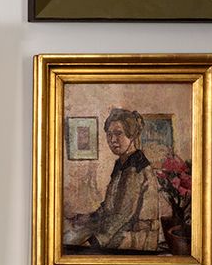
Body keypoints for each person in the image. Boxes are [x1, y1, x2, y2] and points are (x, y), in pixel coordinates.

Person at [62, 107, 162, 252]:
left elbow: (121, 216)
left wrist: (95, 241)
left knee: (72, 248)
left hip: (137, 241)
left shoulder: (135, 168)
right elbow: (109, 207)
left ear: (132, 135)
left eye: (118, 133)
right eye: (109, 134)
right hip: (119, 233)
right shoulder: (122, 164)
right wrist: (87, 218)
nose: (112, 140)